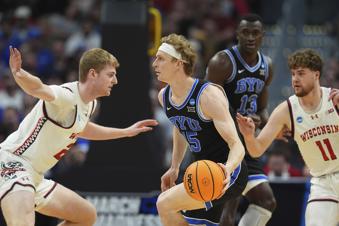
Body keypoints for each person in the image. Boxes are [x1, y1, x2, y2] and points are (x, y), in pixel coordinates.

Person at [0, 46, 158, 226]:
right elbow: (38, 88)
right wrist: (19, 73)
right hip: (13, 163)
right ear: (93, 74)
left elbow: (82, 128)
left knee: (86, 215)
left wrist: (125, 132)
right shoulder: (67, 96)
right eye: (110, 74)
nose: (115, 80)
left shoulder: (90, 104)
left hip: (35, 175)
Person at [153, 33, 247, 226]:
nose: (154, 64)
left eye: (160, 59)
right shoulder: (164, 96)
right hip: (201, 172)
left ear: (178, 63)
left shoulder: (208, 96)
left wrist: (227, 170)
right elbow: (180, 127)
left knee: (164, 203)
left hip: (228, 172)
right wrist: (174, 167)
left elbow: (236, 144)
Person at [236, 48, 339, 226]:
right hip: (323, 183)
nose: (295, 79)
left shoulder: (334, 99)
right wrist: (248, 135)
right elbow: (256, 149)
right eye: (292, 74)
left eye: (301, 73)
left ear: (316, 75)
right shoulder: (286, 110)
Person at [205, 14, 276, 226]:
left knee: (266, 201)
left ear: (263, 36)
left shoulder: (267, 66)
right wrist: (232, 118)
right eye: (245, 32)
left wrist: (258, 120)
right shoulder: (222, 62)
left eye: (255, 33)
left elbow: (262, 111)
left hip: (245, 142)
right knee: (227, 211)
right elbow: (204, 102)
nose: (251, 37)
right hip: (221, 141)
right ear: (237, 34)